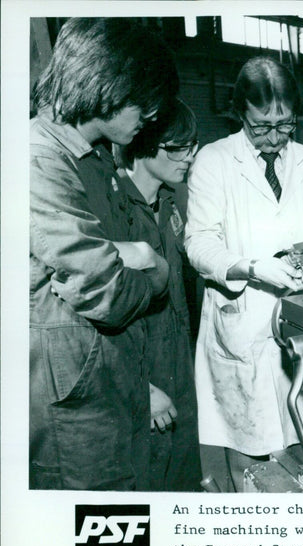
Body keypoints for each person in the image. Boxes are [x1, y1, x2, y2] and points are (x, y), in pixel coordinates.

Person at [185, 56, 303, 492]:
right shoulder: (214, 162)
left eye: (285, 125)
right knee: (250, 453)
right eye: (262, 127)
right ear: (240, 114)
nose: (275, 137)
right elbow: (198, 245)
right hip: (244, 322)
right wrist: (253, 267)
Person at [29, 18, 178, 490]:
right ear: (109, 86)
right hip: (73, 401)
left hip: (111, 381)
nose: (151, 116)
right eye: (146, 101)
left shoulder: (92, 159)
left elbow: (120, 259)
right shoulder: (37, 161)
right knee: (94, 537)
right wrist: (155, 269)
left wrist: (136, 255)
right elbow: (106, 290)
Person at [116, 98, 202, 491]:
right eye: (178, 148)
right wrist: (142, 388)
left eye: (193, 146)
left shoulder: (170, 204)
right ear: (143, 141)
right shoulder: (114, 207)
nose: (189, 157)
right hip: (139, 384)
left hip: (178, 370)